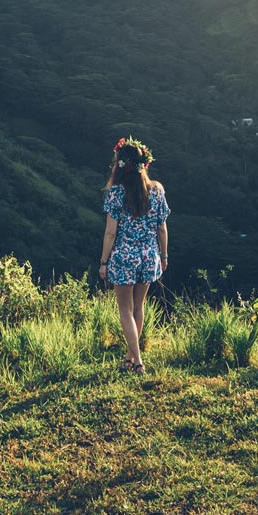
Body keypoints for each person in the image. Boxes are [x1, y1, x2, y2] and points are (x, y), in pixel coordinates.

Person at [99, 137, 169, 372]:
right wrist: (164, 256)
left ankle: (137, 361)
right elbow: (162, 228)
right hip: (149, 255)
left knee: (125, 310)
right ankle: (130, 356)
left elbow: (110, 233)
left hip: (124, 256)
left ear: (120, 165)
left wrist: (103, 262)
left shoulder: (116, 193)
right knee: (138, 307)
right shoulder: (157, 190)